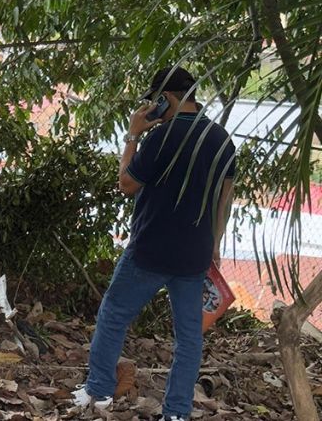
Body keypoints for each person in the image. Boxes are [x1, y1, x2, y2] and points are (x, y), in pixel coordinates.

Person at [72, 66, 236, 421]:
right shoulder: (222, 139)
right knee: (189, 338)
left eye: (155, 100)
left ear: (166, 98)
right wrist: (214, 245)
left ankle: (98, 390)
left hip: (150, 249)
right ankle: (176, 412)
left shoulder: (161, 137)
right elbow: (225, 197)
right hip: (195, 254)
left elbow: (127, 184)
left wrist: (132, 135)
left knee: (114, 315)